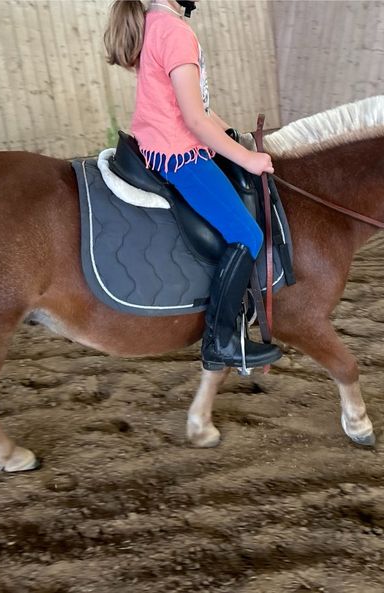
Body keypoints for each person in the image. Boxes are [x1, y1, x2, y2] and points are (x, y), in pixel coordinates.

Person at [104, 0, 282, 371]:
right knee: (247, 235)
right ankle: (220, 342)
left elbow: (200, 108)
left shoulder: (154, 21)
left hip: (158, 141)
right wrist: (247, 159)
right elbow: (194, 121)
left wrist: (234, 134)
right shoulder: (175, 32)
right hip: (179, 154)